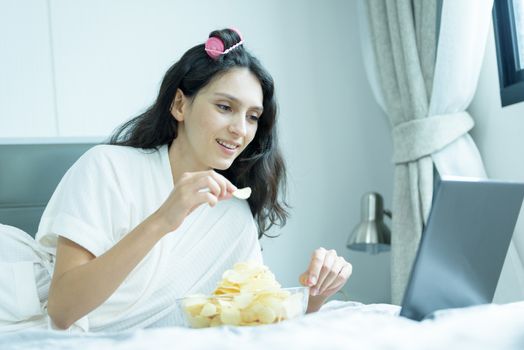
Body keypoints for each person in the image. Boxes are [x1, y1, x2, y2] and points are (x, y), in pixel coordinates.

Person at [0, 28, 352, 332]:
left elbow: (245, 321)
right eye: (225, 107)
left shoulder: (232, 215)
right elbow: (63, 311)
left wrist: (313, 298)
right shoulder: (106, 168)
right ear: (180, 105)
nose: (240, 129)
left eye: (253, 116)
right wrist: (164, 219)